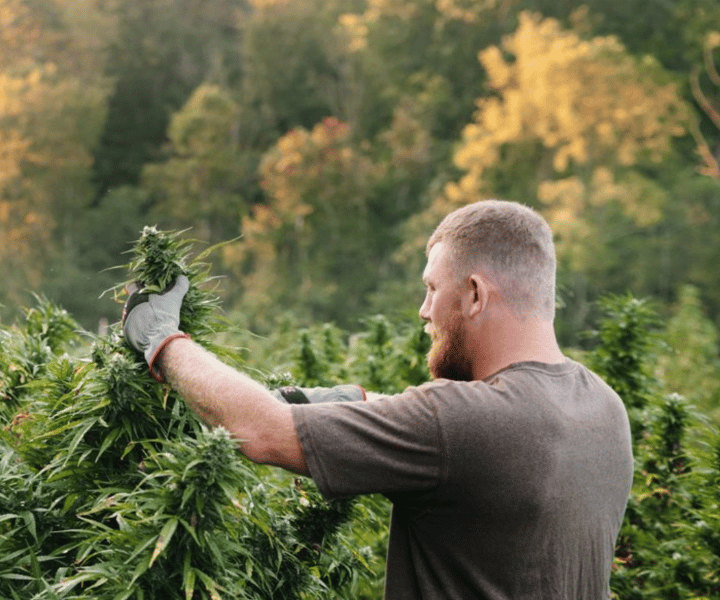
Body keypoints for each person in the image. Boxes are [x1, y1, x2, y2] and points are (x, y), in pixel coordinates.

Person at [122, 199, 634, 600]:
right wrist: (347, 402)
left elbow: (262, 432)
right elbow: (459, 441)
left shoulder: (460, 423)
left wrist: (162, 339)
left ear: (475, 294)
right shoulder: (603, 409)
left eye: (433, 289)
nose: (423, 310)